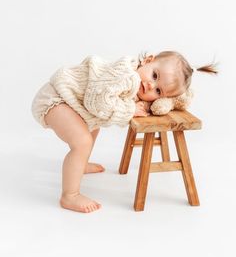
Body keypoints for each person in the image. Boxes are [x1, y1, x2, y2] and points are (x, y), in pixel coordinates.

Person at [31, 51, 218, 213]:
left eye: (159, 91)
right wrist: (129, 110)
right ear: (148, 60)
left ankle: (81, 163)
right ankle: (70, 195)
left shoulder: (137, 80)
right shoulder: (127, 75)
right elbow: (97, 102)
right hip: (55, 99)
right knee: (82, 142)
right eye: (154, 75)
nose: (151, 86)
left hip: (72, 103)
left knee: (94, 126)